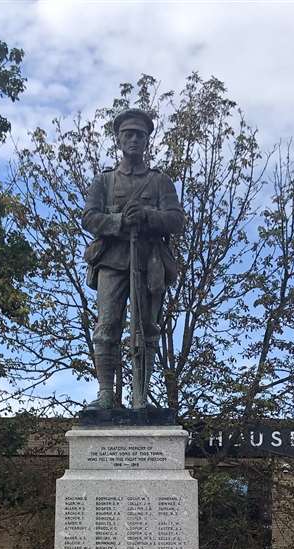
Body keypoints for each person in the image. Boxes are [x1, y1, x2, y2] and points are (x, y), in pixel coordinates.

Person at [82, 108, 185, 410]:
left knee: (146, 331)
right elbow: (89, 218)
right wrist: (120, 222)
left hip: (147, 264)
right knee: (107, 327)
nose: (134, 139)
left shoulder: (159, 182)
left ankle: (140, 397)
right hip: (112, 262)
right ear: (118, 139)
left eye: (140, 135)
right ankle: (104, 396)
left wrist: (149, 216)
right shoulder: (104, 181)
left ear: (147, 140)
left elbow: (176, 220)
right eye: (128, 134)